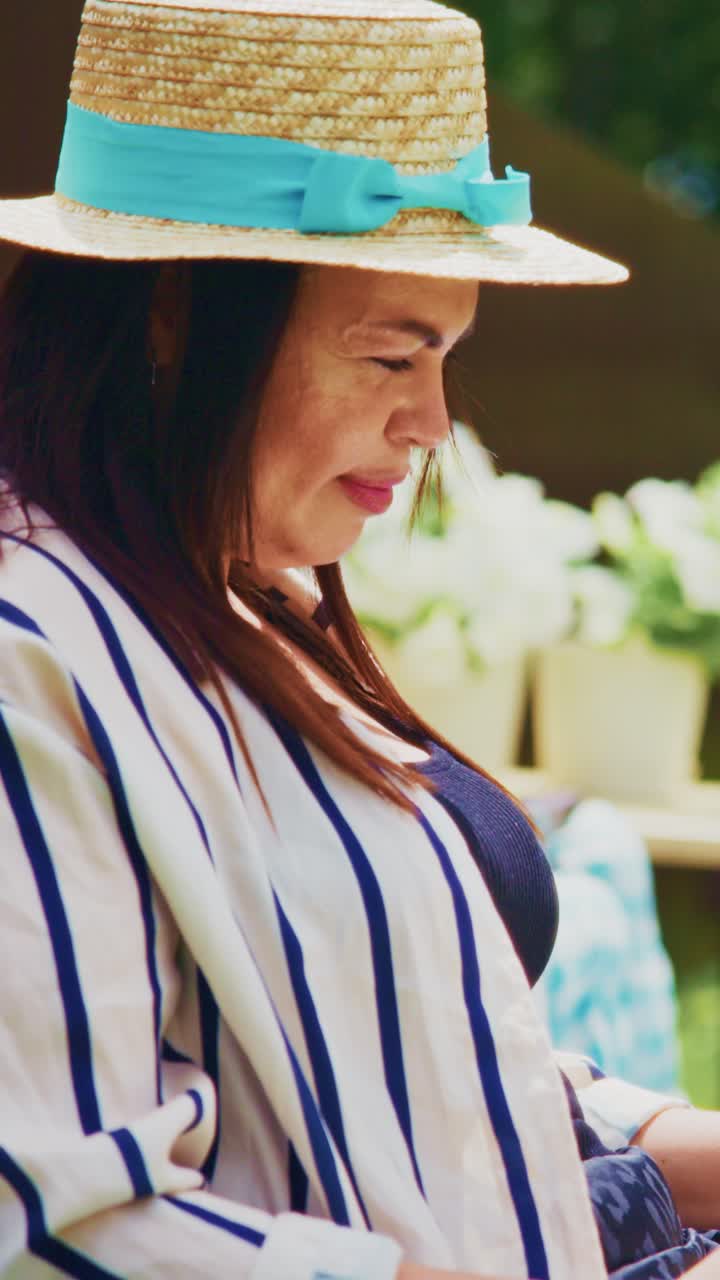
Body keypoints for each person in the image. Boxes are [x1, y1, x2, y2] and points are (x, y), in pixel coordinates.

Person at [0, 1, 718, 1277]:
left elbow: (403, 1063)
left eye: (446, 356)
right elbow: (64, 1222)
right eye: (394, 354)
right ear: (175, 314)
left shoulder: (230, 593)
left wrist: (676, 1140)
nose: (434, 420)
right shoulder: (31, 654)